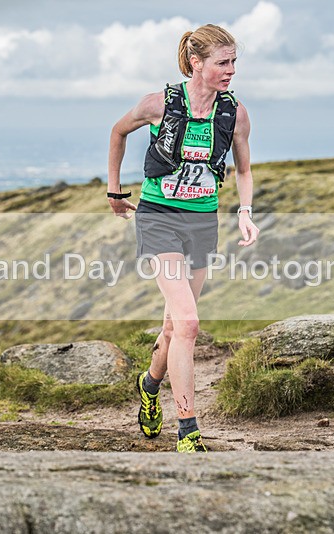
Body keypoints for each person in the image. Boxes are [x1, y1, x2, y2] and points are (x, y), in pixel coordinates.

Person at [107, 24, 259, 452]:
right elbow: (118, 132)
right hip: (158, 219)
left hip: (201, 223)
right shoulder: (158, 104)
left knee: (175, 325)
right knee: (189, 323)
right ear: (197, 63)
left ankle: (149, 384)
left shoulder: (236, 113)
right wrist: (115, 192)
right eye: (222, 63)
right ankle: (188, 429)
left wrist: (245, 214)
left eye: (234, 63)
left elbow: (244, 170)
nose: (231, 71)